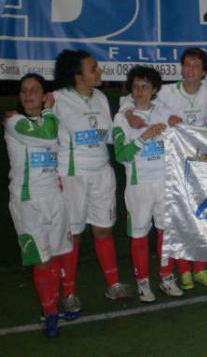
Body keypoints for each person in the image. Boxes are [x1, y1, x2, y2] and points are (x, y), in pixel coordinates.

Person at [121, 48, 207, 290]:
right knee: (178, 220)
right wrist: (128, 113)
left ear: (204, 72)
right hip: (172, 165)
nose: (191, 70)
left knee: (200, 216)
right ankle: (182, 271)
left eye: (196, 65)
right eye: (187, 64)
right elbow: (131, 98)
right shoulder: (166, 92)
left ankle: (200, 268)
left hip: (200, 161)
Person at [53, 49, 131, 306]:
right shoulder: (57, 99)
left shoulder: (100, 97)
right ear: (78, 76)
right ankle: (68, 292)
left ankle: (114, 285)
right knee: (73, 234)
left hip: (102, 173)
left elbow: (108, 135)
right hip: (73, 175)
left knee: (103, 230)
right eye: (93, 68)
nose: (99, 71)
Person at [4, 74, 76, 337]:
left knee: (56, 254)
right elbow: (47, 135)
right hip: (28, 202)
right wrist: (49, 109)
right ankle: (50, 313)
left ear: (44, 94)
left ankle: (55, 305)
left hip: (54, 198)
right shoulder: (14, 121)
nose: (28, 95)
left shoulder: (50, 120)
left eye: (34, 90)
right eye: (24, 90)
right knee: (42, 260)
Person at [113, 66, 185, 302]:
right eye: (135, 86)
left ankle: (166, 277)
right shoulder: (122, 118)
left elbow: (181, 138)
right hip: (139, 185)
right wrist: (145, 136)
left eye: (145, 86)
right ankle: (142, 281)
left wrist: (178, 124)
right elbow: (121, 155)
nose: (139, 91)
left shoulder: (164, 112)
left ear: (154, 89)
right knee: (139, 235)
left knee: (166, 232)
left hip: (164, 183)